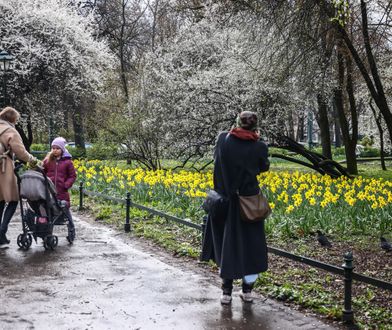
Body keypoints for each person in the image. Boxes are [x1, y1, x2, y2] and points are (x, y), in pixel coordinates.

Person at [200, 111, 270, 305]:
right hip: (249, 204)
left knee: (226, 245)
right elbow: (263, 167)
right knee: (252, 247)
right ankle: (247, 291)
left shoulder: (223, 139)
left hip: (224, 203)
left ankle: (226, 292)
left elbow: (218, 160)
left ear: (237, 122)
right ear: (255, 127)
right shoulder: (259, 147)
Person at [0, 107, 39, 247]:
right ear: (12, 119)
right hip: (4, 169)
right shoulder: (10, 131)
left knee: (0, 201)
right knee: (13, 199)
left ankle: (1, 235)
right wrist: (33, 161)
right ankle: (1, 232)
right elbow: (21, 152)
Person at [43, 137, 76, 241]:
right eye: (53, 148)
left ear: (62, 149)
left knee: (65, 211)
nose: (55, 150)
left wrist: (66, 185)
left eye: (57, 148)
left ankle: (71, 228)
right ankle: (48, 232)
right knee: (49, 213)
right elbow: (42, 172)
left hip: (62, 192)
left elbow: (72, 176)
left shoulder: (68, 162)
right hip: (49, 192)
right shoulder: (48, 160)